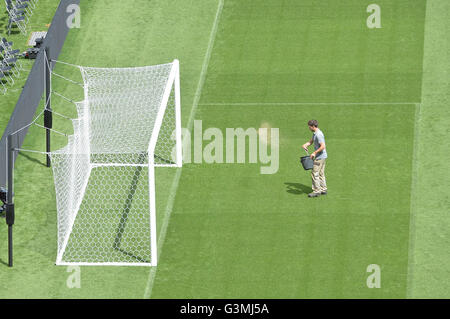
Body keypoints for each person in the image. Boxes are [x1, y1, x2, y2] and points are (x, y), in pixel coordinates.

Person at [302, 120, 327, 197]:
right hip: (323, 157)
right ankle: (323, 189)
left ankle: (317, 191)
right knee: (320, 173)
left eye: (309, 126)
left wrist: (314, 153)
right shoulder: (315, 133)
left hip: (319, 157)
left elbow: (323, 146)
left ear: (313, 126)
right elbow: (311, 141)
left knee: (314, 173)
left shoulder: (319, 134)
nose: (309, 128)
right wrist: (306, 145)